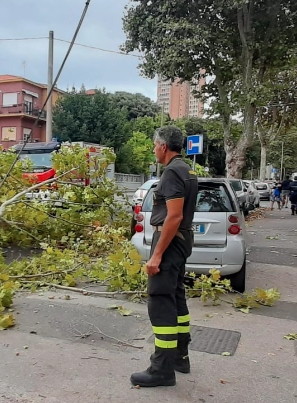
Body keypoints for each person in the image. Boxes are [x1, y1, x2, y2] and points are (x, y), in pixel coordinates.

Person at [130, 126, 198, 388]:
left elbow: (174, 216)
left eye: (154, 145)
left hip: (170, 241)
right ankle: (180, 357)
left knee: (160, 300)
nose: (153, 149)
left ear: (163, 146)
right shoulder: (187, 170)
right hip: (182, 240)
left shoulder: (171, 172)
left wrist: (156, 255)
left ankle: (161, 369)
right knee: (176, 297)